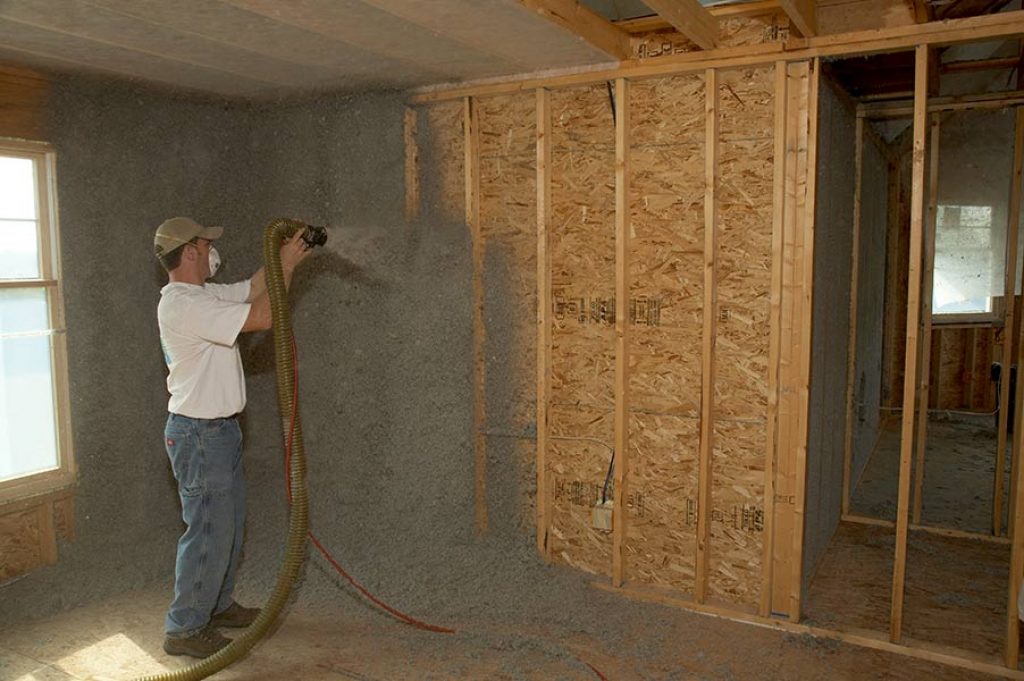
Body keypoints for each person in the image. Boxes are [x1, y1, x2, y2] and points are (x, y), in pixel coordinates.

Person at [154, 217, 311, 658]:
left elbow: (250, 289)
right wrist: (292, 268)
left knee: (229, 526)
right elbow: (263, 315)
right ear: (190, 252)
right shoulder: (184, 304)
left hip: (218, 433)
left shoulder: (201, 295)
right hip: (200, 435)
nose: (212, 253)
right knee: (207, 531)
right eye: (207, 245)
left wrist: (283, 257)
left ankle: (215, 606)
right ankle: (184, 627)